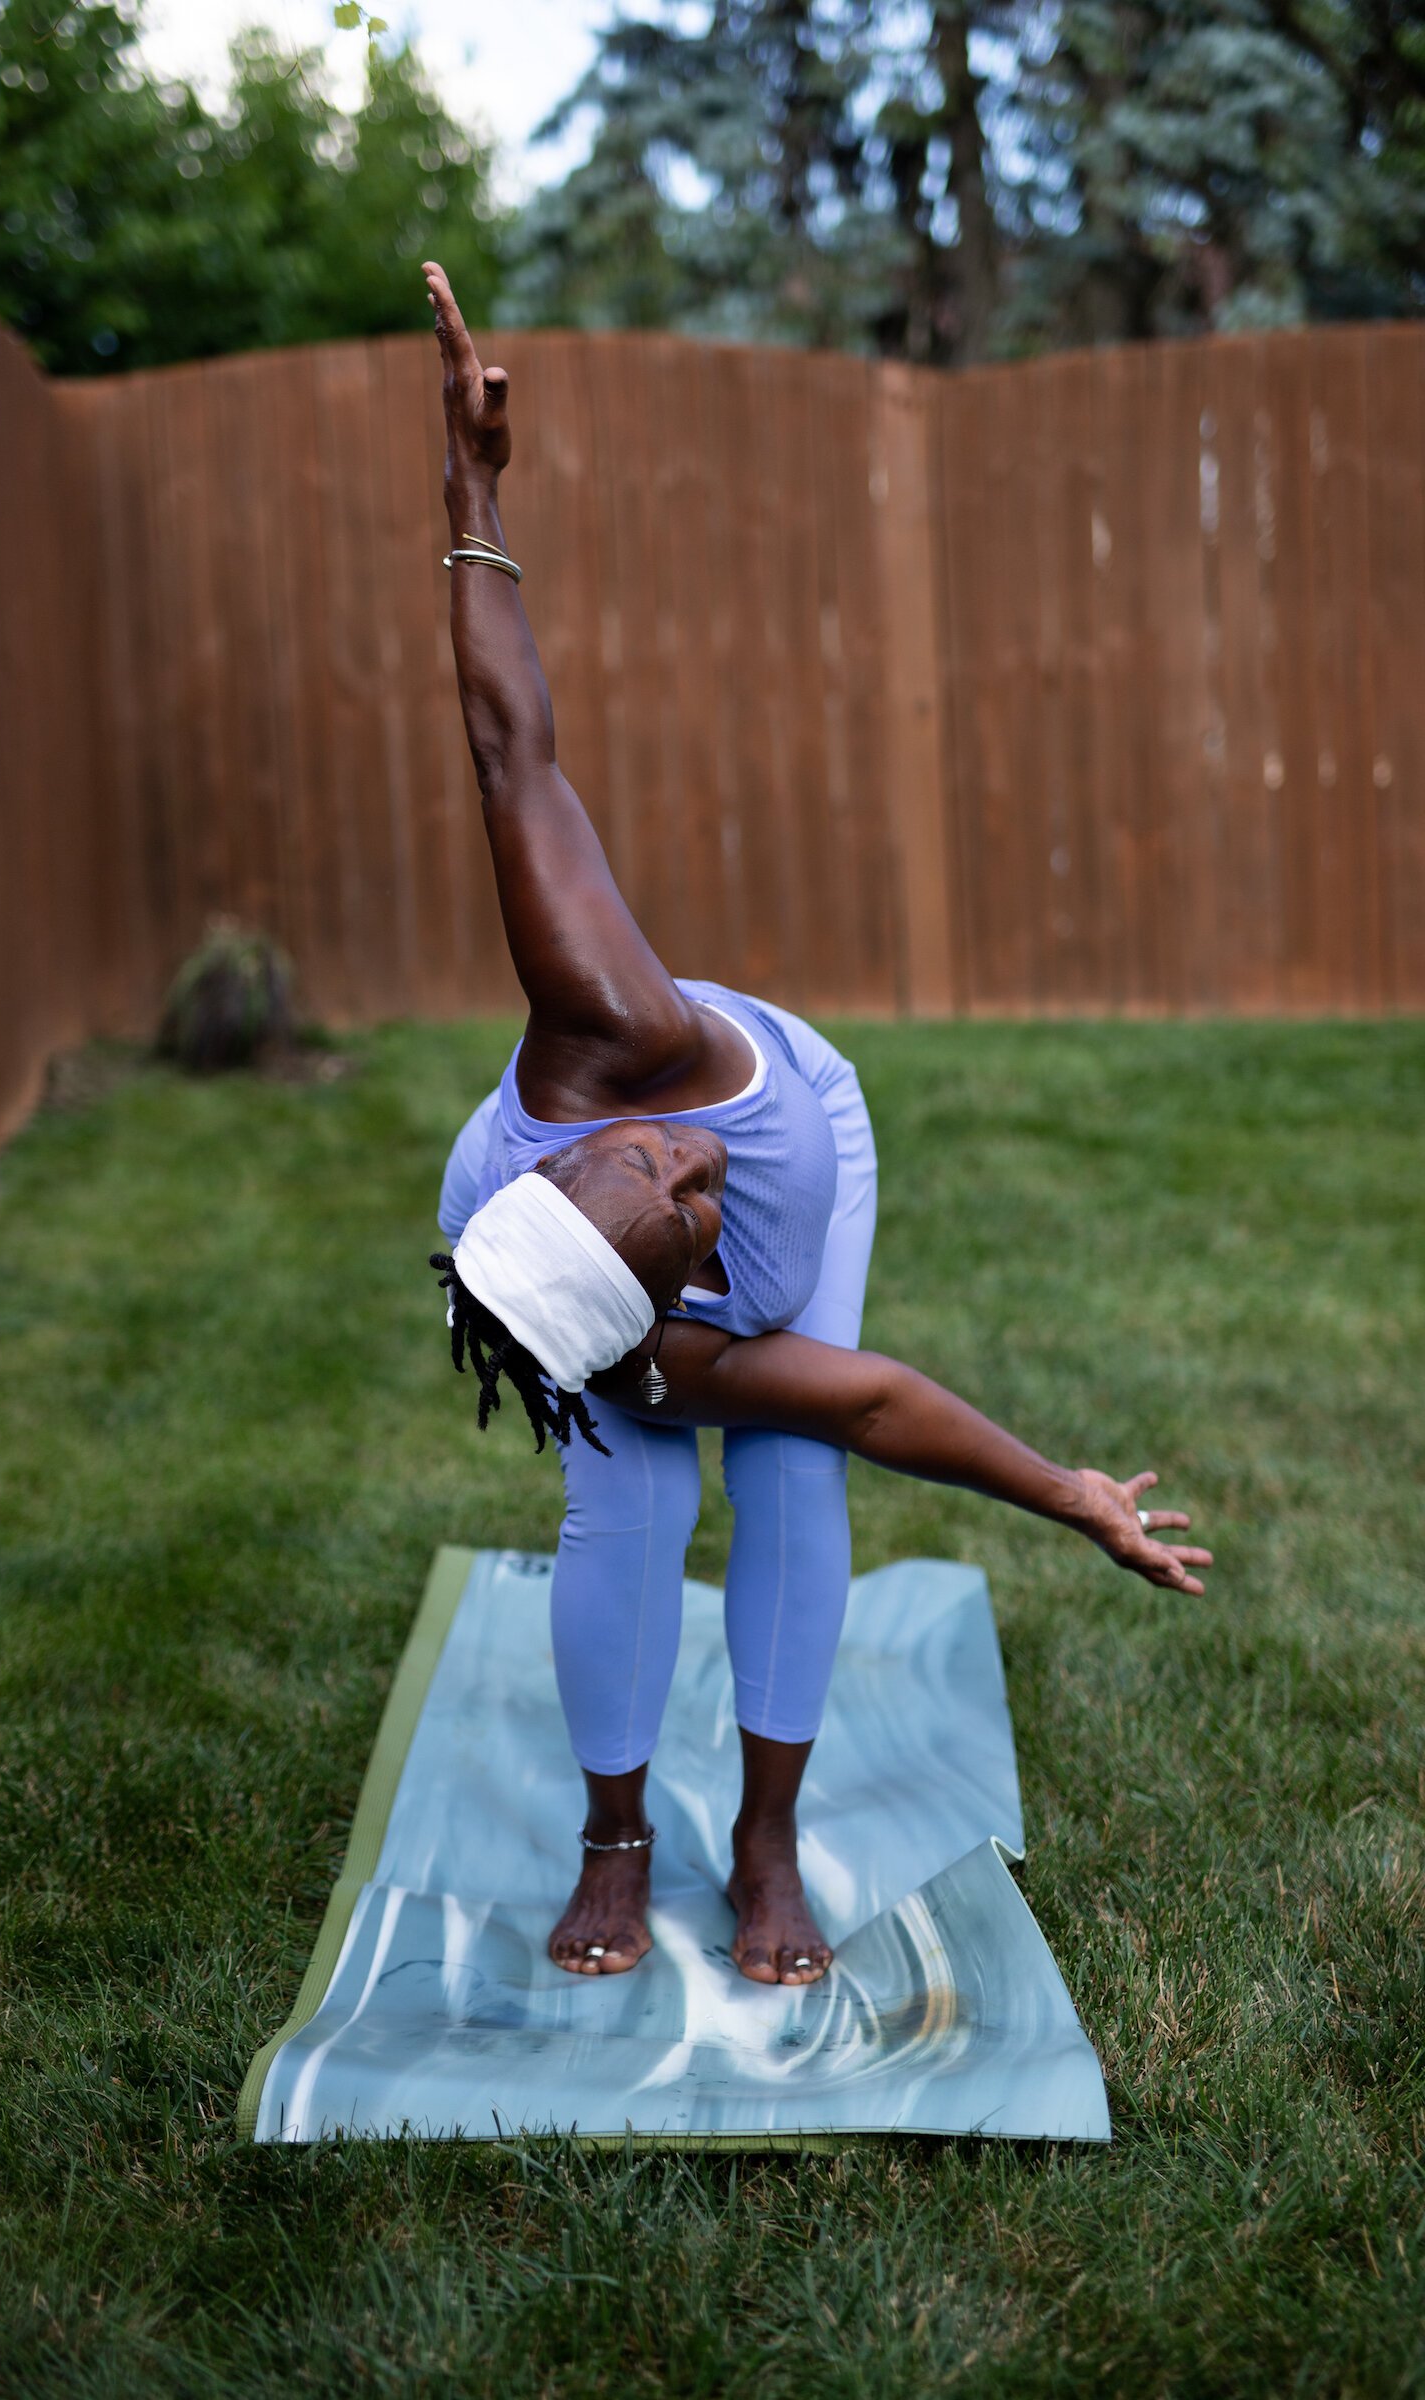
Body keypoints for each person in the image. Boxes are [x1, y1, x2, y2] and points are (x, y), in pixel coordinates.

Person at [421, 261, 1211, 1992]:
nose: (697, 1169)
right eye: (690, 1206)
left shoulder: (612, 1029)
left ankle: (766, 1834)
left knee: (793, 1469)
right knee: (621, 1502)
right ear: (653, 1317)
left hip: (821, 1130)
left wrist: (475, 488)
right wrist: (1063, 1487)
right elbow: (841, 1382)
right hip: (605, 1333)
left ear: (582, 1145)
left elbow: (510, 753)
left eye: (658, 1164)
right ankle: (616, 1833)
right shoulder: (627, 1343)